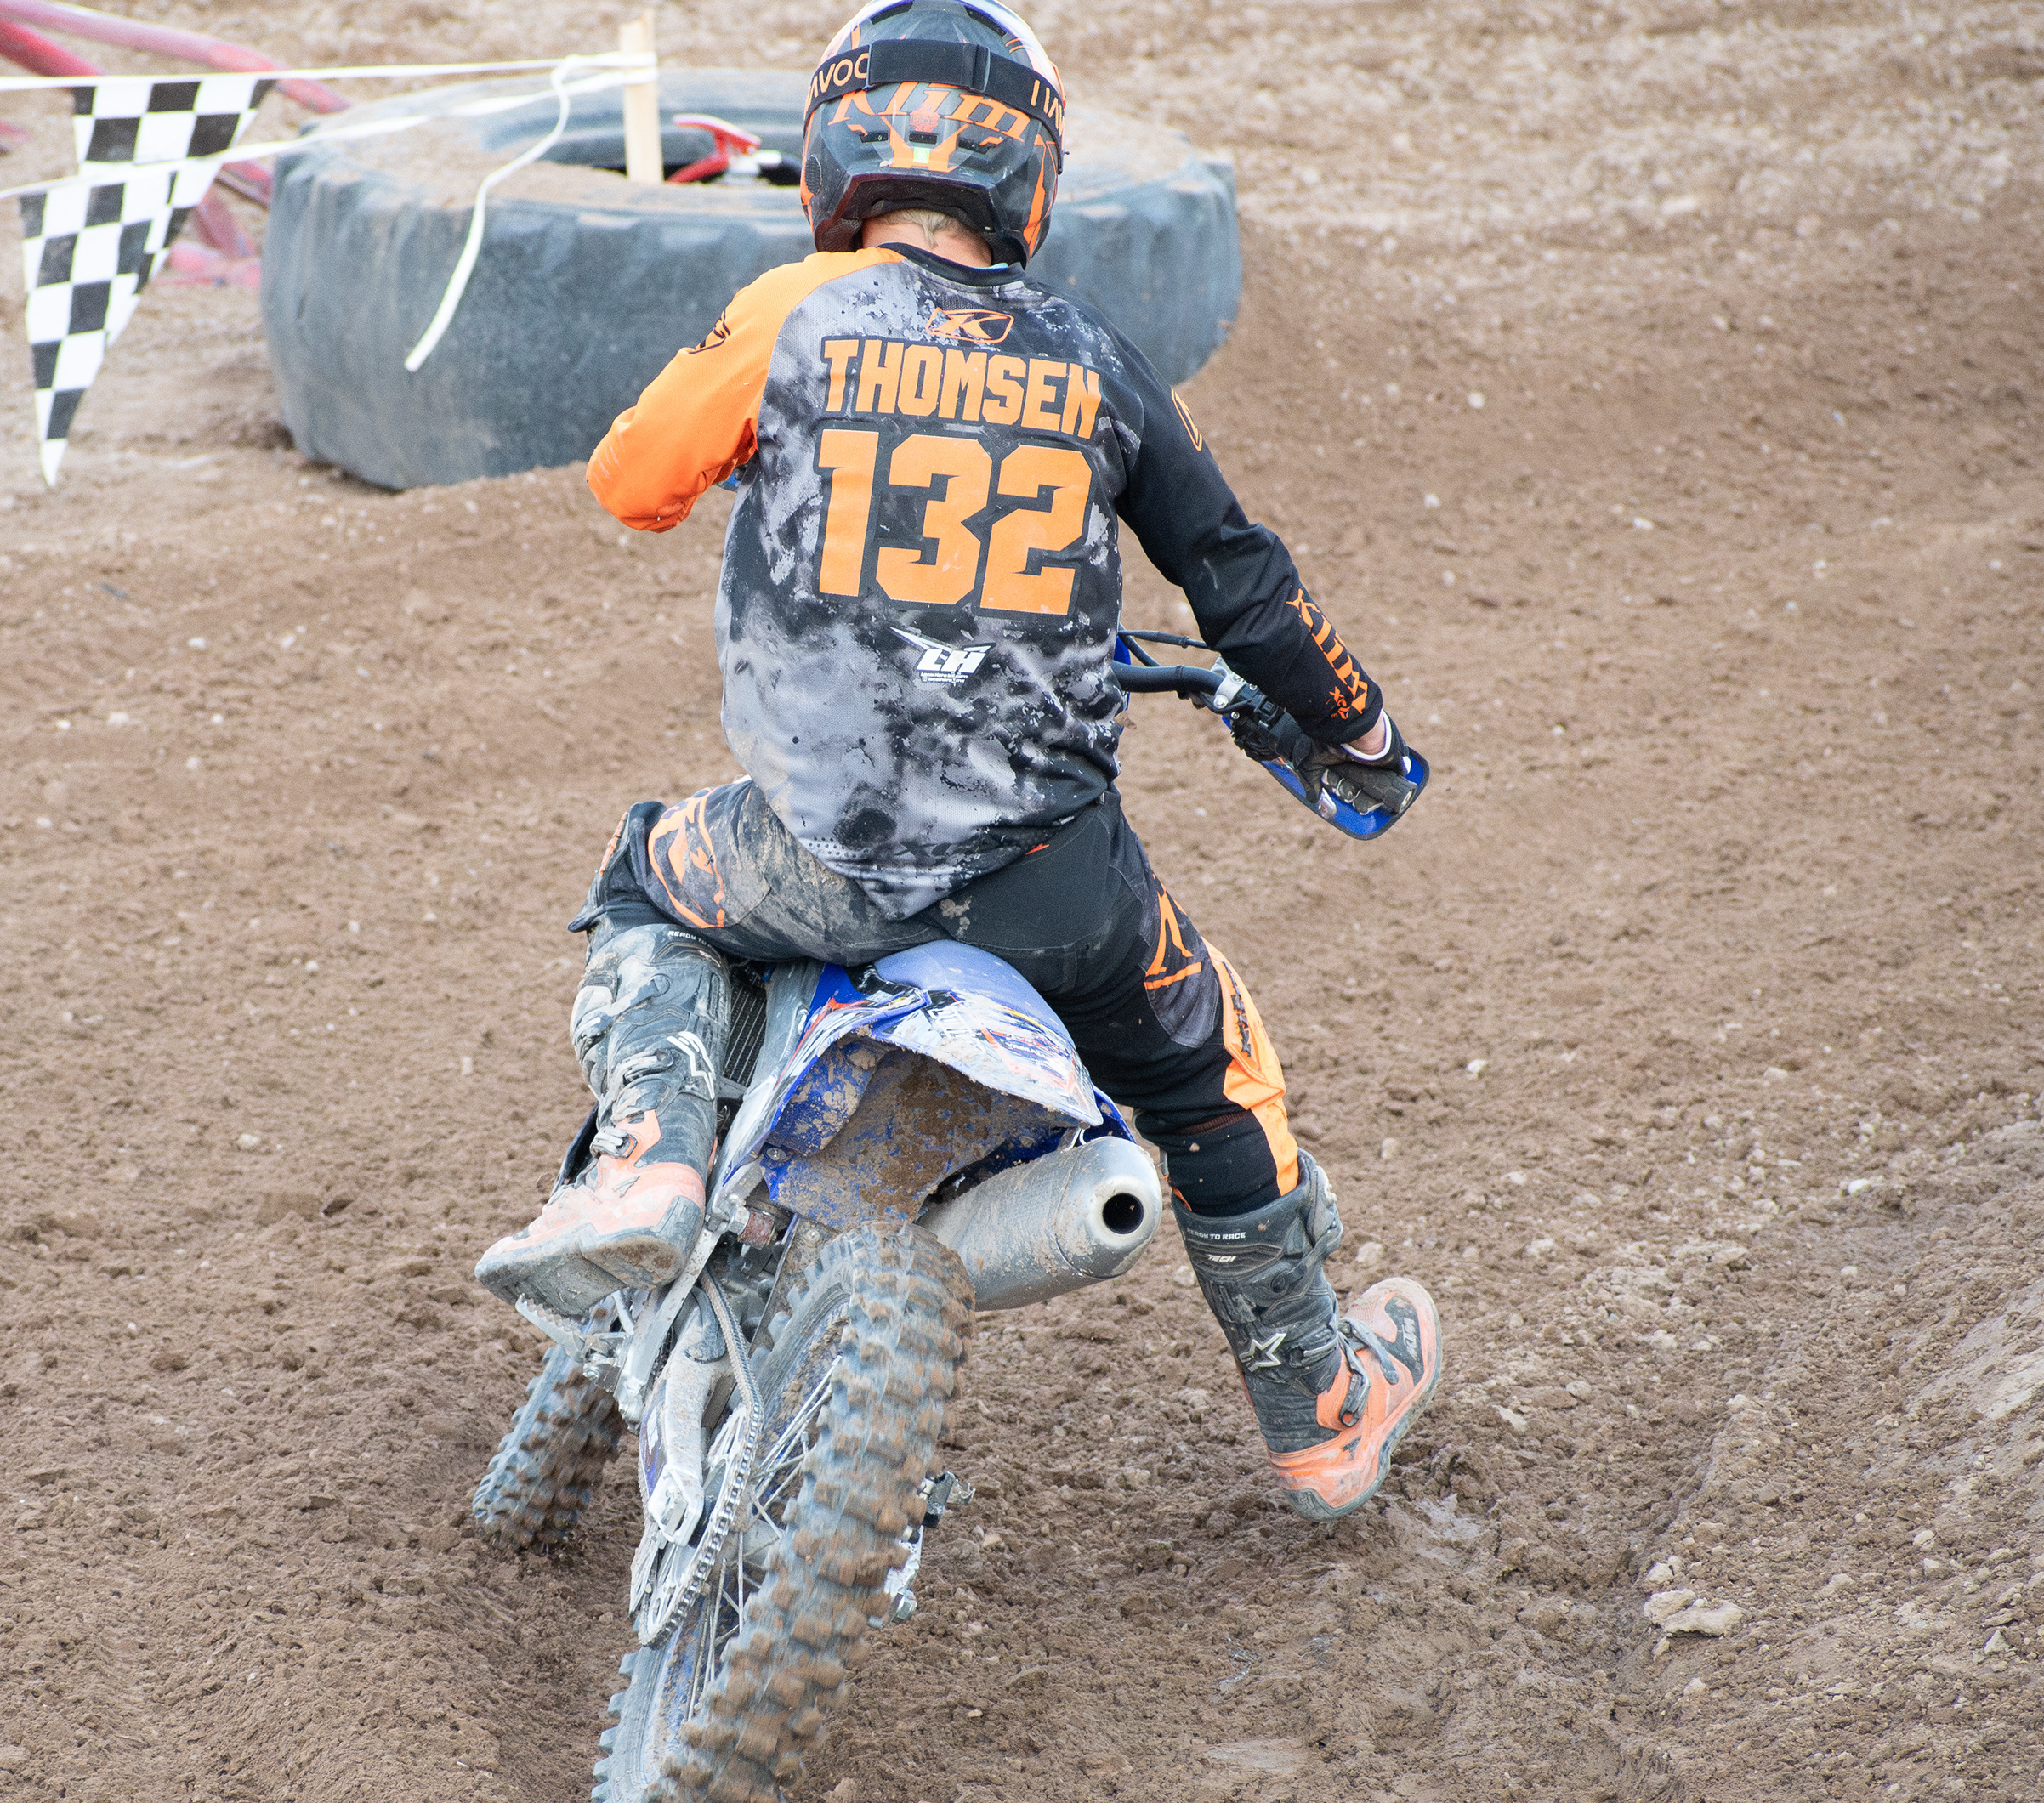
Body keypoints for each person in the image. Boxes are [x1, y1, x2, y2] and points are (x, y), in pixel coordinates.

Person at [474, 0, 1440, 1521]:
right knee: (1214, 1073)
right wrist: (1362, 731)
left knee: (650, 888)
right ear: (1031, 173)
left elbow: (629, 481)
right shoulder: (1095, 357)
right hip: (1060, 887)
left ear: (836, 147)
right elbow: (1242, 583)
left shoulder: (794, 307)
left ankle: (650, 1167)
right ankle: (1320, 1411)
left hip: (814, 855)